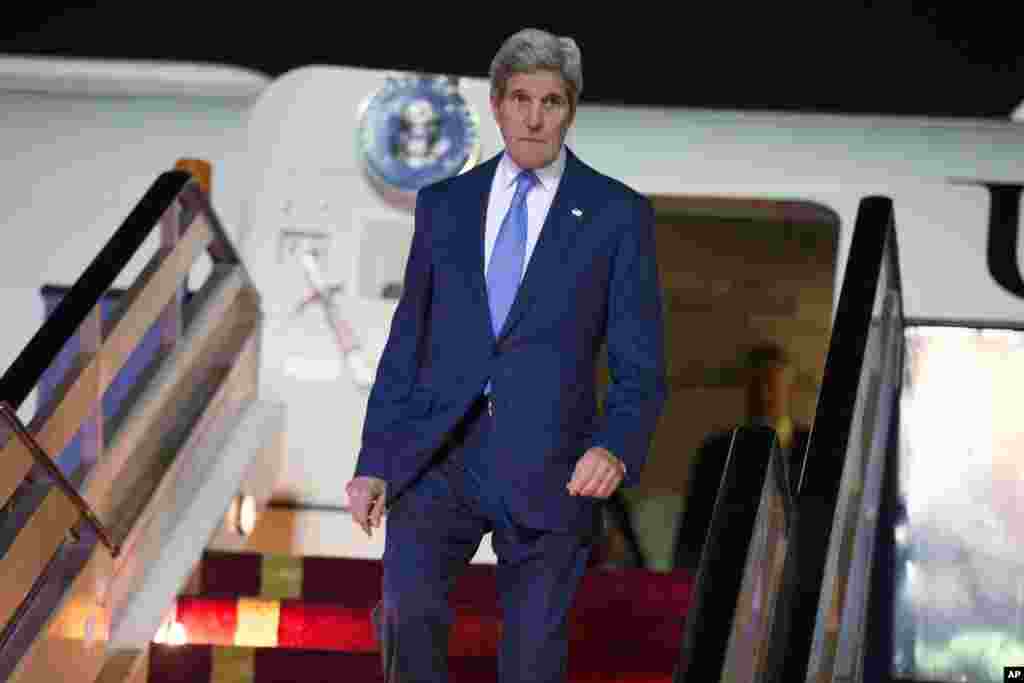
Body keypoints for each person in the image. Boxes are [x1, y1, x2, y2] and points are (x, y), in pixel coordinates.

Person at [344, 28, 667, 682]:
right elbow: (408, 343)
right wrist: (374, 461)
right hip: (439, 457)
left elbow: (641, 362)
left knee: (532, 661)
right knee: (407, 614)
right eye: (520, 99)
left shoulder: (616, 214)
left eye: (551, 102)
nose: (534, 117)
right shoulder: (445, 206)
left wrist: (615, 445)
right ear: (496, 105)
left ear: (570, 111)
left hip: (554, 465)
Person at [673, 342, 809, 570]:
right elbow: (692, 533)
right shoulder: (715, 453)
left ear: (789, 388)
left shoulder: (813, 450)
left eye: (771, 385)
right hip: (729, 575)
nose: (763, 396)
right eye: (755, 386)